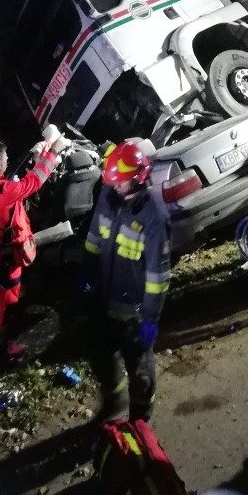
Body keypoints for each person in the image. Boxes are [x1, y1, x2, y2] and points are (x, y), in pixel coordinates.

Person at [81, 139, 172, 423]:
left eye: (121, 182)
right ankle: (115, 399)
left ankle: (140, 420)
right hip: (103, 301)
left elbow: (158, 276)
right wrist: (86, 273)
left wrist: (150, 318)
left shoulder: (154, 217)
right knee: (100, 356)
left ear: (139, 177)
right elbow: (94, 240)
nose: (116, 186)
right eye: (114, 182)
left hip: (133, 312)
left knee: (140, 372)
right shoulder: (109, 199)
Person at [0, 123, 68, 360]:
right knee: (2, 302)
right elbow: (34, 181)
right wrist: (53, 152)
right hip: (4, 259)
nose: (8, 160)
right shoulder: (4, 191)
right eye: (6, 157)